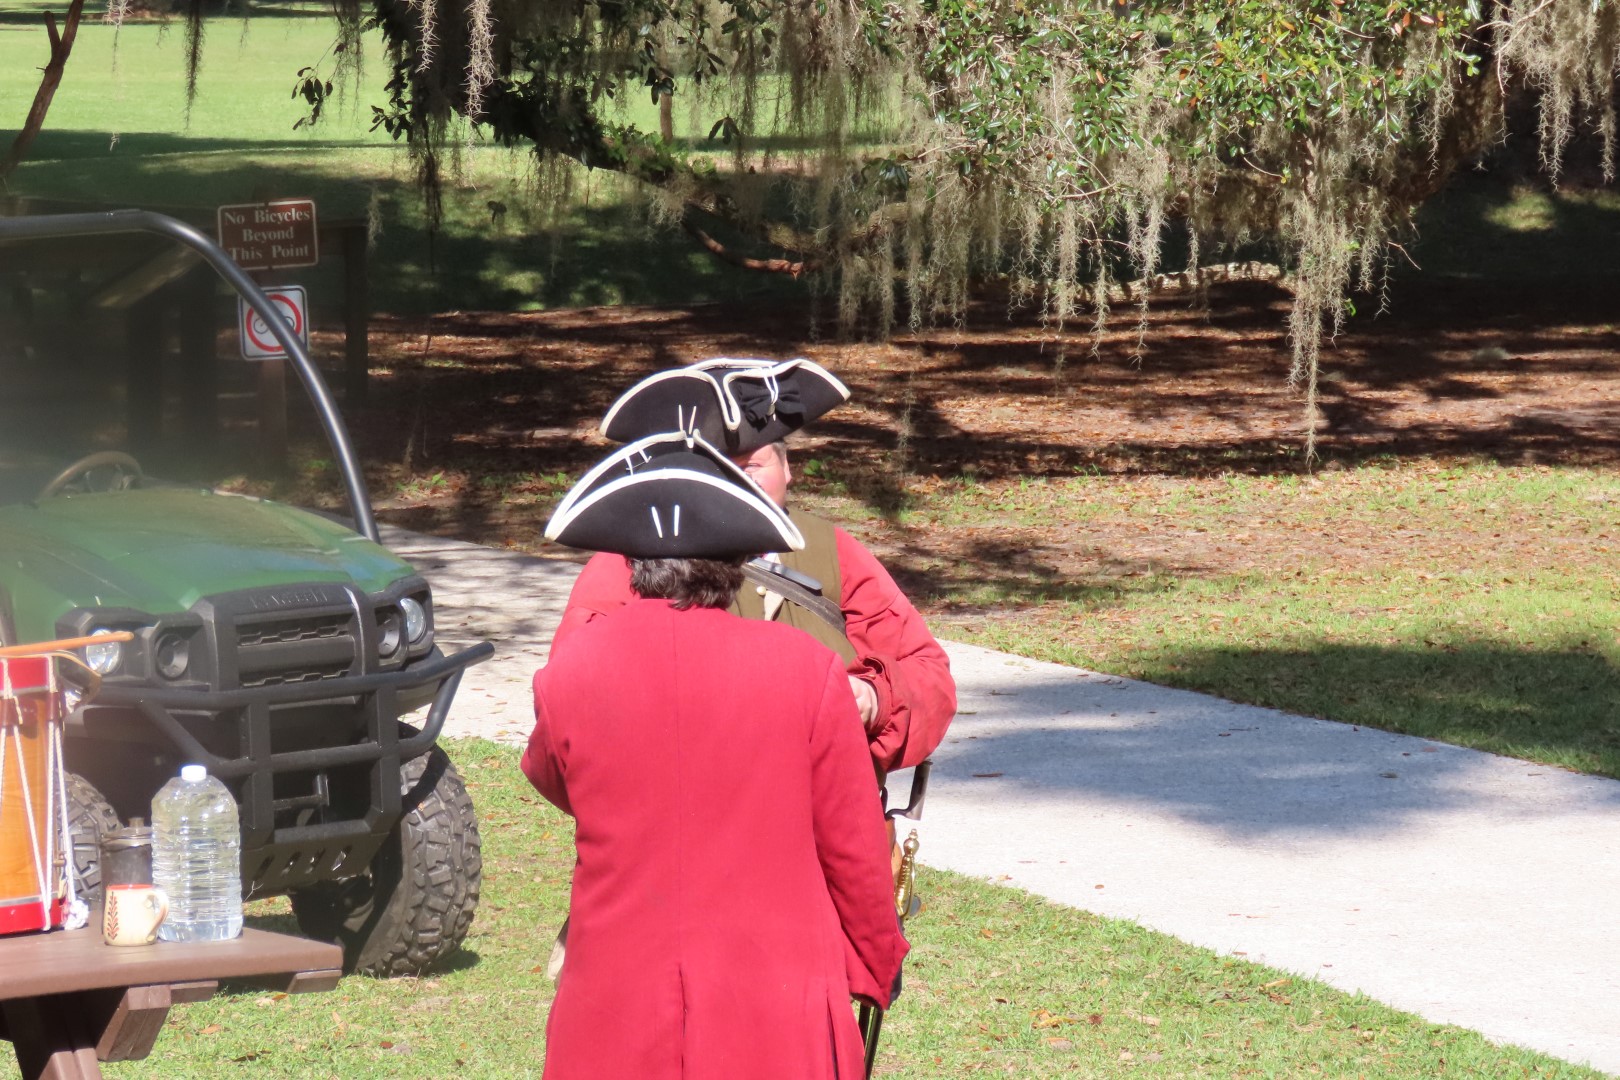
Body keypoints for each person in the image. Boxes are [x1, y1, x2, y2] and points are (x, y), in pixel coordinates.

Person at [525, 433, 907, 1079]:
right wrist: (876, 961)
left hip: (616, 996)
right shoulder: (806, 670)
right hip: (774, 995)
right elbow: (852, 844)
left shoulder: (570, 672)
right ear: (736, 561)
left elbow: (553, 776)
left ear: (633, 561)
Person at [553, 358, 956, 774]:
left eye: (751, 467)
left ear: (787, 467)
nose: (740, 485)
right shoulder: (627, 560)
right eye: (719, 471)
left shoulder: (832, 550)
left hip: (829, 798)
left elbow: (926, 672)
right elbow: (571, 702)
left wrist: (874, 698)